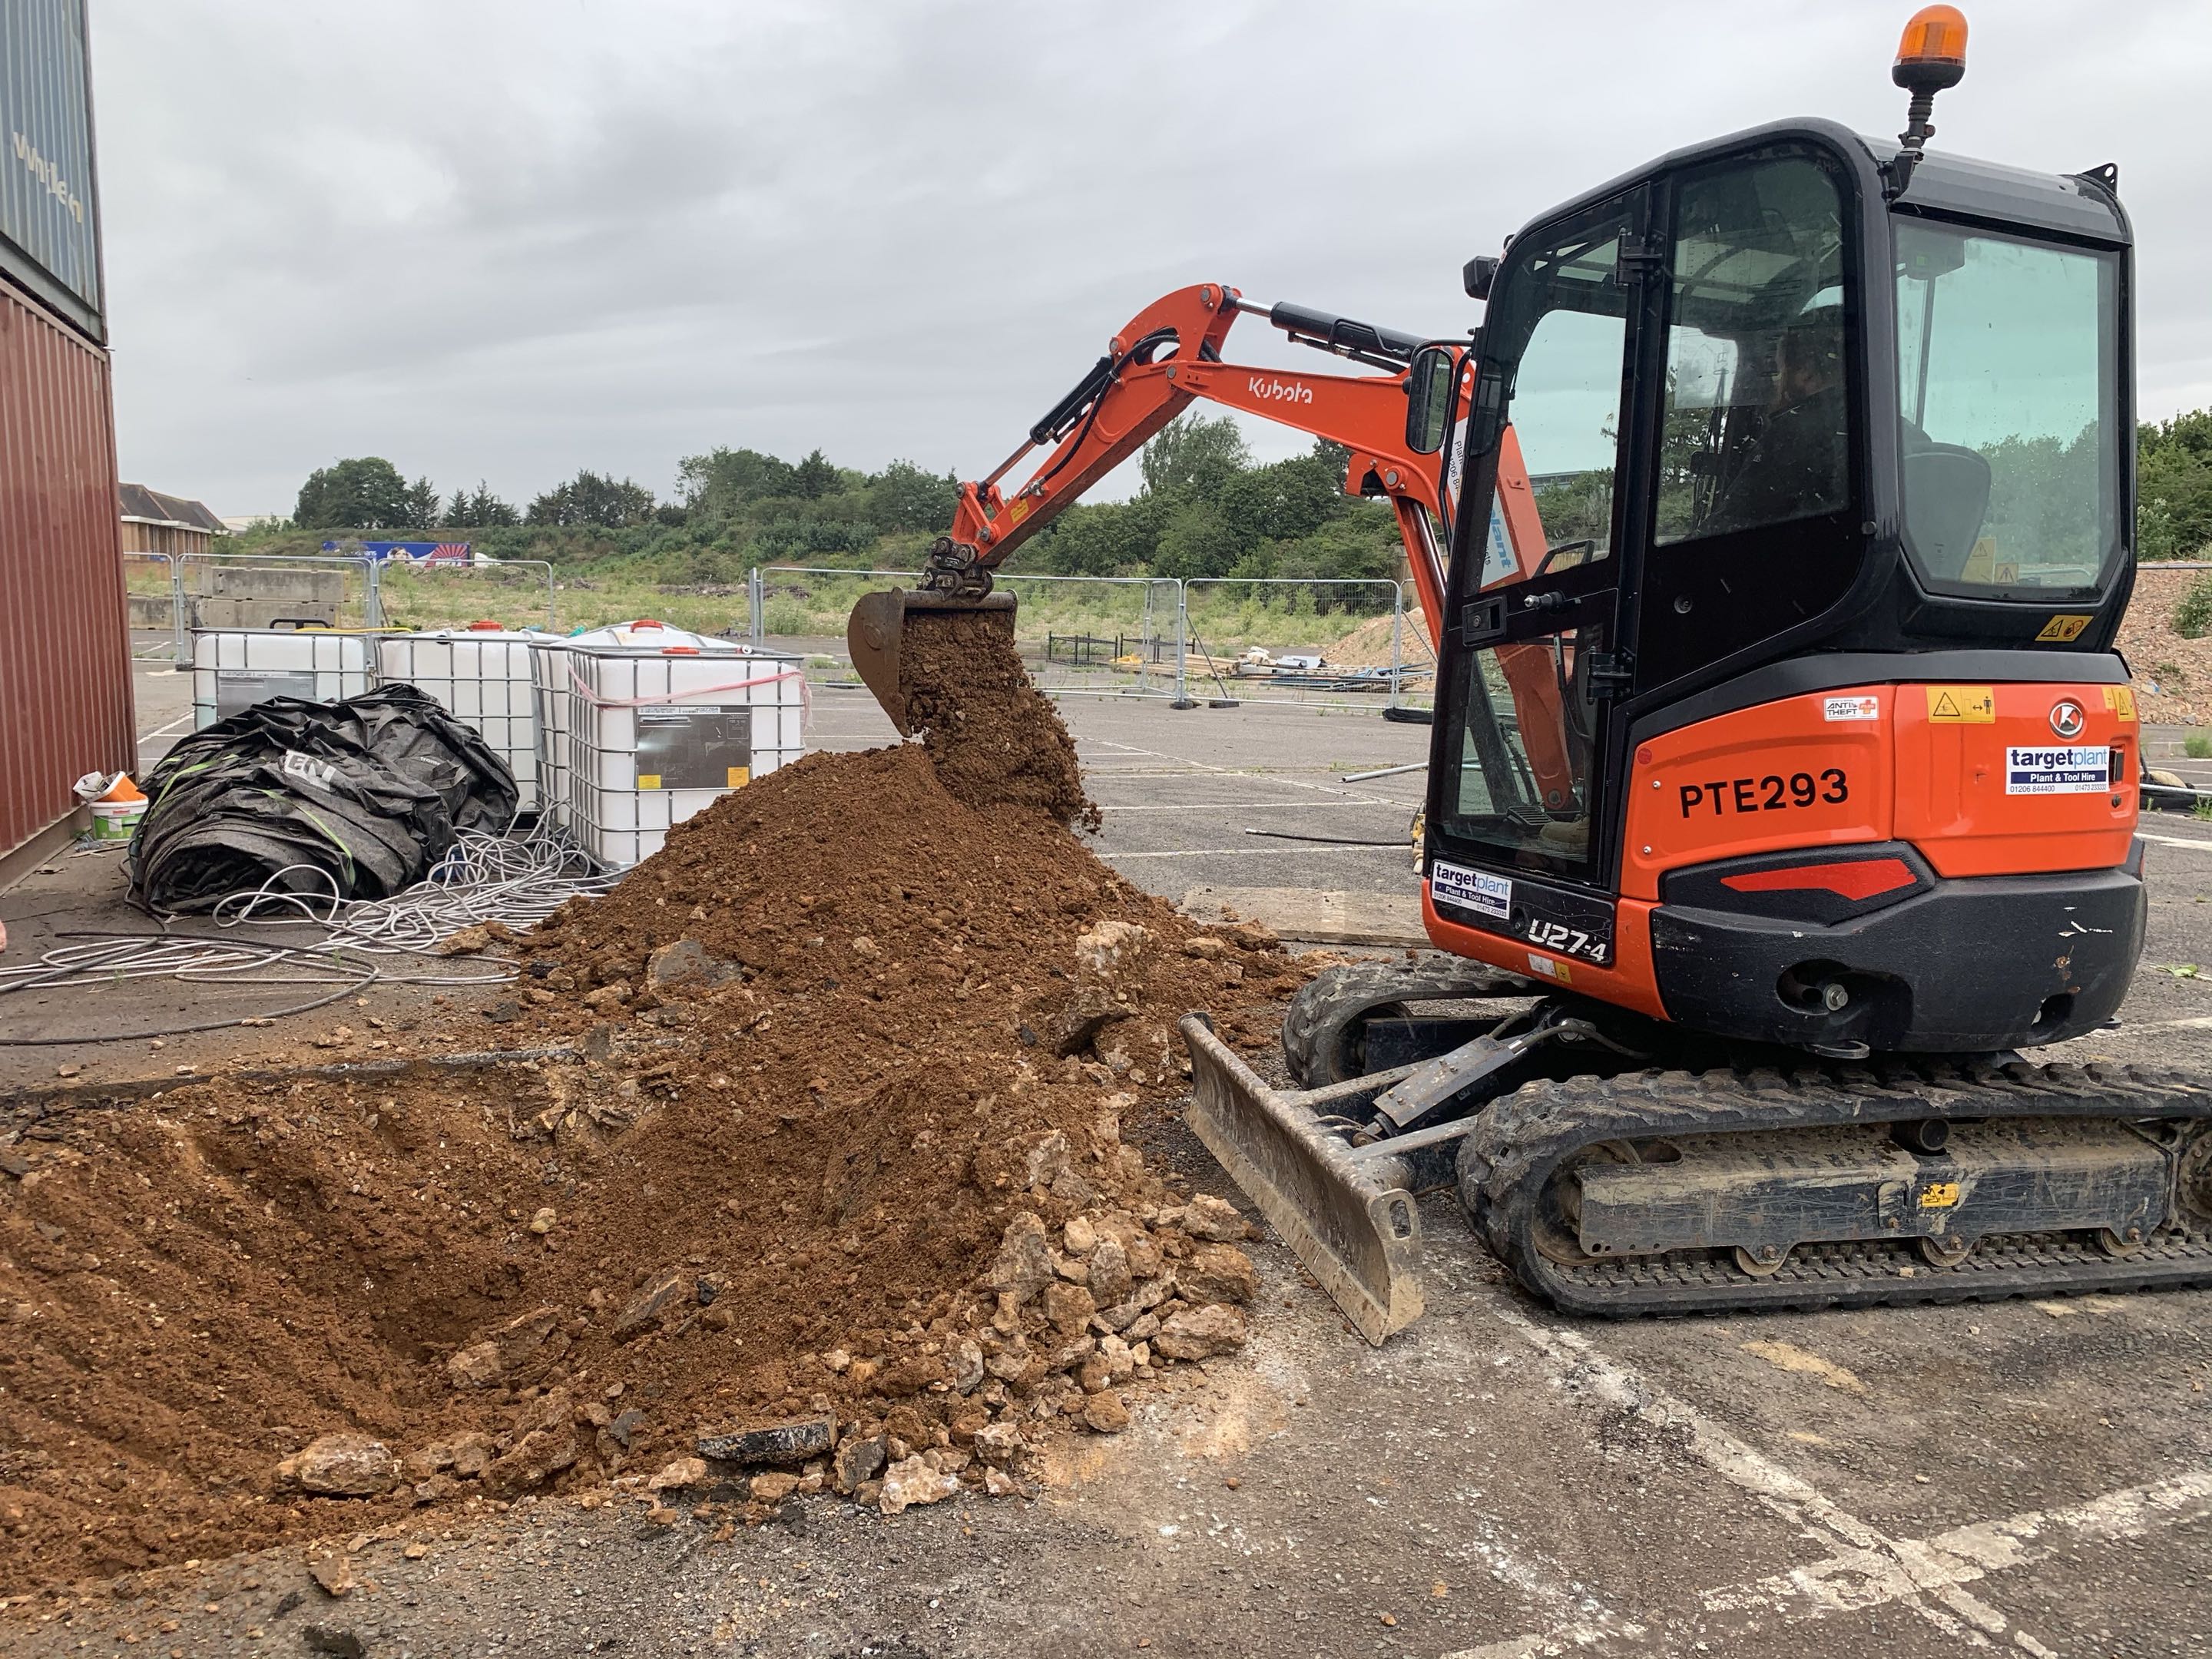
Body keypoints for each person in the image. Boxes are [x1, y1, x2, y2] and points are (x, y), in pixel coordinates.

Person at [1703, 307, 1849, 535]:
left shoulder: (1790, 437)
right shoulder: (1896, 432)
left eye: (1777, 372)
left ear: (1806, 373)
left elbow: (1731, 525)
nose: (1774, 384)